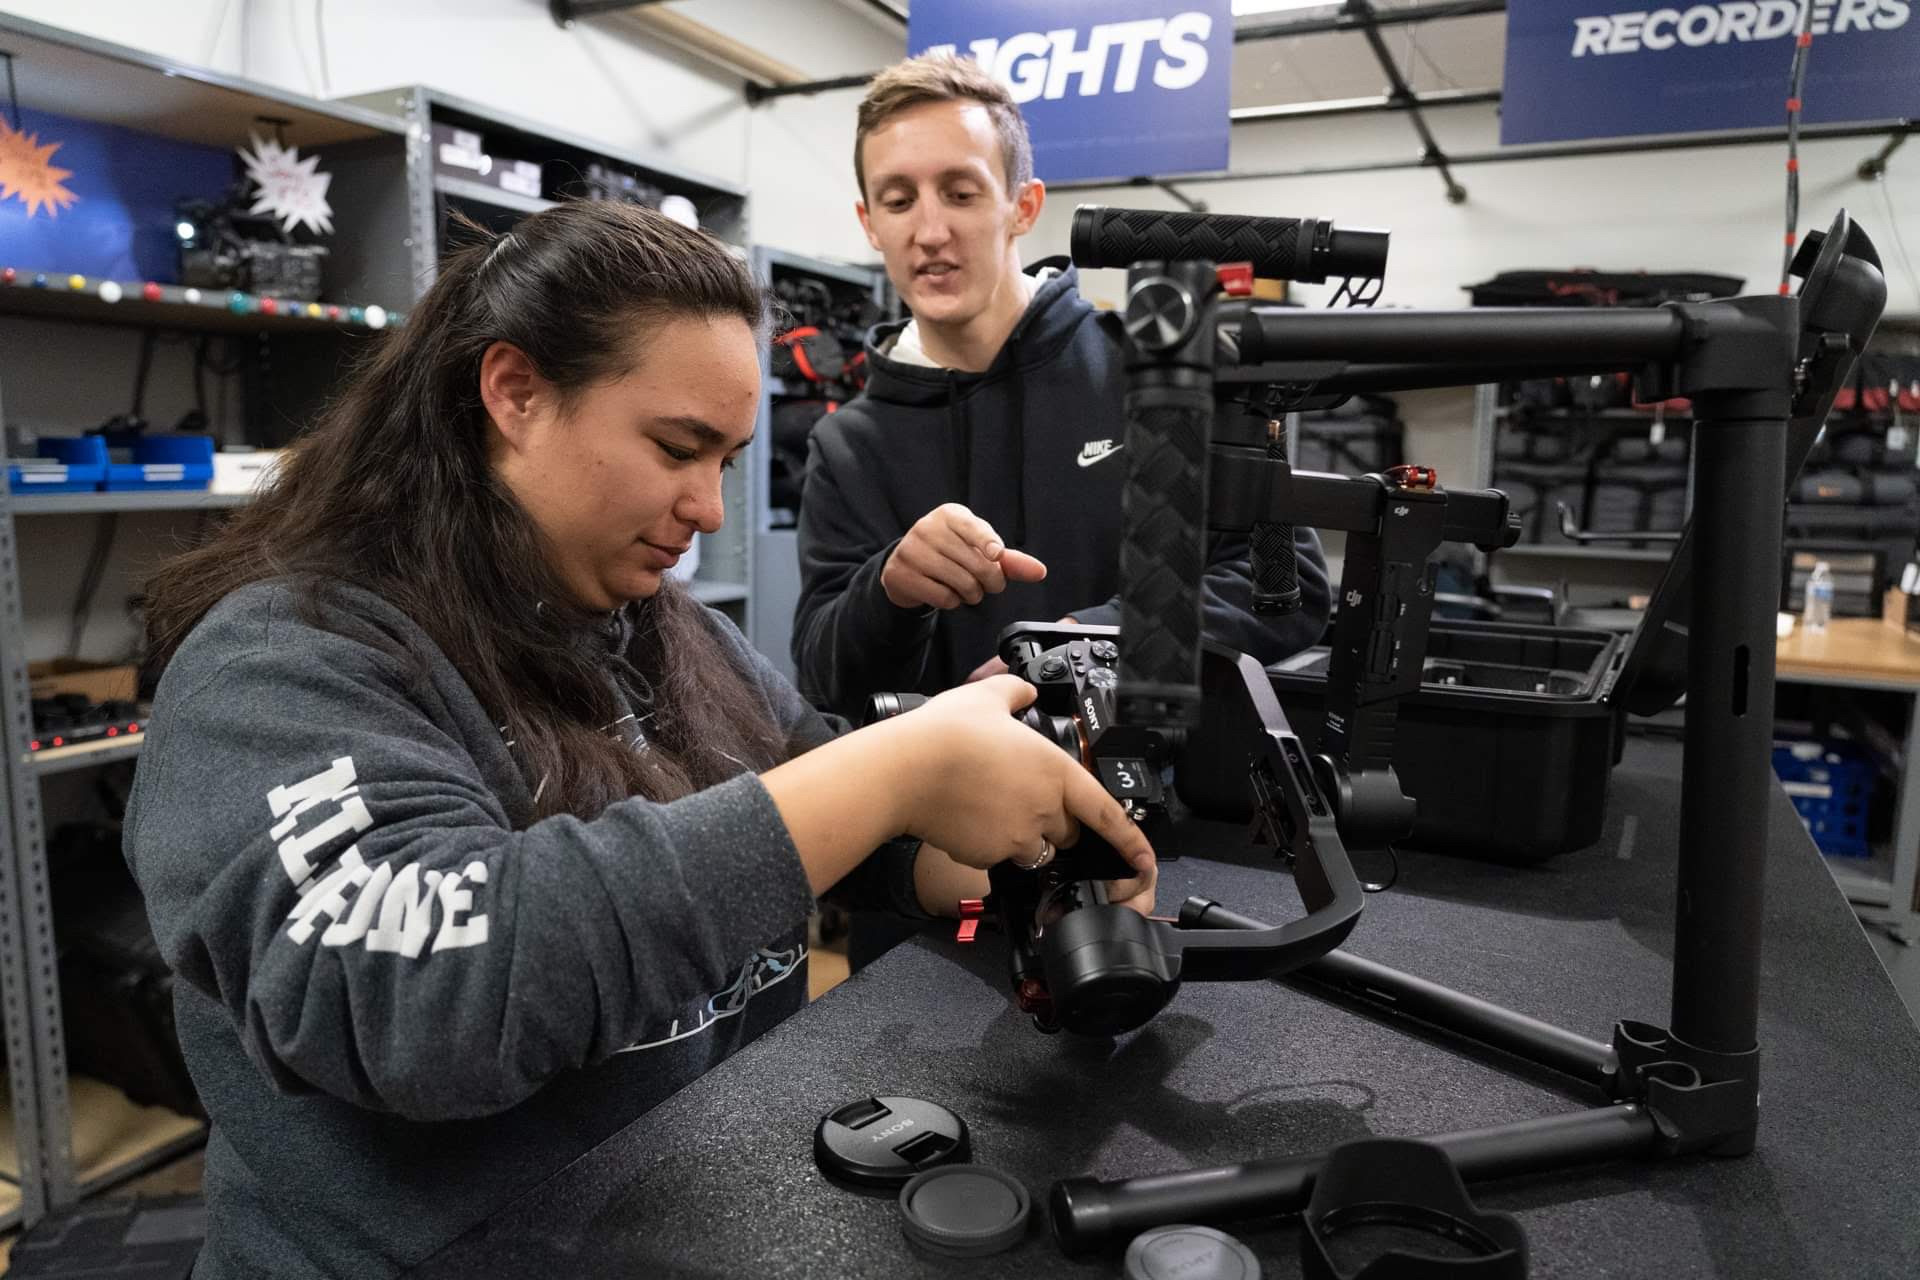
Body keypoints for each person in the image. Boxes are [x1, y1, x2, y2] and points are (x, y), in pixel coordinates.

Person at [124, 201, 1155, 1279]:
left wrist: (957, 853)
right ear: (515, 393)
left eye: (728, 459)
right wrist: (900, 770)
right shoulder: (278, 666)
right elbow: (422, 999)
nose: (710, 508)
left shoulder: (662, 622)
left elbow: (798, 782)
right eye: (676, 447)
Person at [792, 52, 1331, 723]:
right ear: (870, 222)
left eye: (961, 193)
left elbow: (1285, 592)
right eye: (899, 201)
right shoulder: (847, 446)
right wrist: (889, 591)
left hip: (1157, 778)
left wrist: (1083, 646)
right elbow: (823, 680)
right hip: (954, 789)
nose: (930, 232)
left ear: (1023, 206)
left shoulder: (1161, 375)